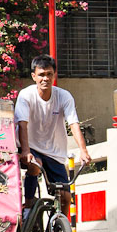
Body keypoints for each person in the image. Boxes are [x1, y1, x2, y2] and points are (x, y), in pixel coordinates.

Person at [15, 54, 91, 216]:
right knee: (35, 165)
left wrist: (83, 151)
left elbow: (73, 123)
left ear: (54, 75)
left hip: (54, 151)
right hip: (30, 146)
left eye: (49, 74)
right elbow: (22, 123)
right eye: (41, 75)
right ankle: (28, 207)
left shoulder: (64, 96)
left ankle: (59, 231)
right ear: (33, 76)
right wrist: (26, 151)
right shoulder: (26, 95)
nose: (45, 78)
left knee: (65, 195)